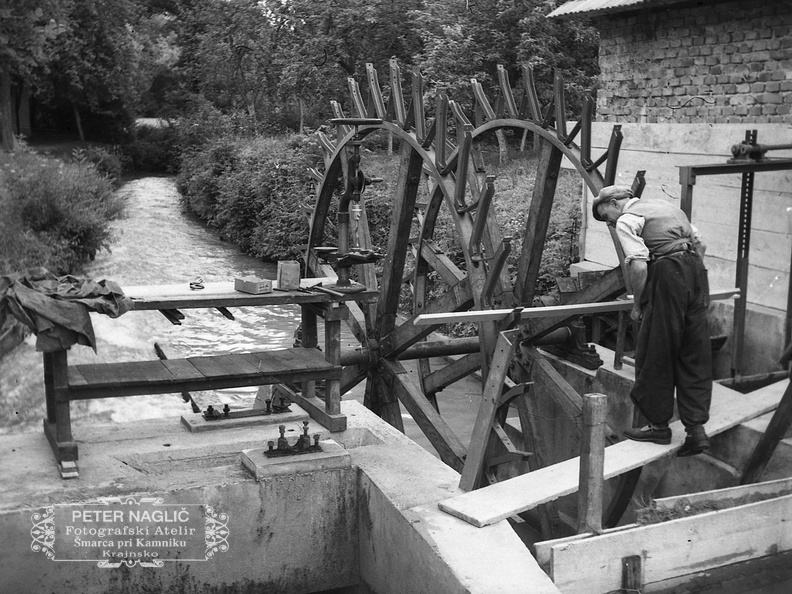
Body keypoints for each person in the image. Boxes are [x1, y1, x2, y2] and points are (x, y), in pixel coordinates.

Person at [592, 185, 712, 457]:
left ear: (613, 203)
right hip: (695, 271)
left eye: (607, 217)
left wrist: (637, 303)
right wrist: (691, 277)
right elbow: (700, 244)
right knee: (694, 350)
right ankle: (696, 431)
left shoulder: (627, 219)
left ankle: (658, 426)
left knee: (656, 349)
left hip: (667, 273)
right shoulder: (666, 207)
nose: (611, 223)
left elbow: (638, 264)